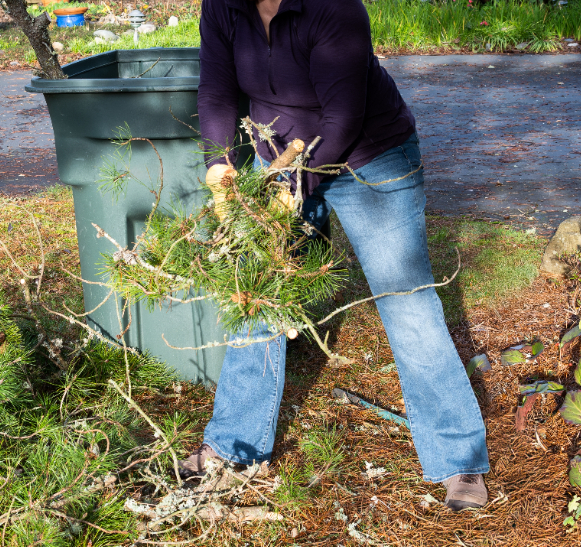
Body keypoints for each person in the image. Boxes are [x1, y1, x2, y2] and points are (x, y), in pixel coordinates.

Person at [178, 0, 491, 510]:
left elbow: (342, 116)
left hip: (370, 158)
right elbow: (216, 91)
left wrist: (295, 185)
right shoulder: (223, 6)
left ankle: (458, 459)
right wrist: (221, 171)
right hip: (278, 158)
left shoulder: (334, 7)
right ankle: (234, 447)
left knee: (406, 302)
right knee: (256, 297)